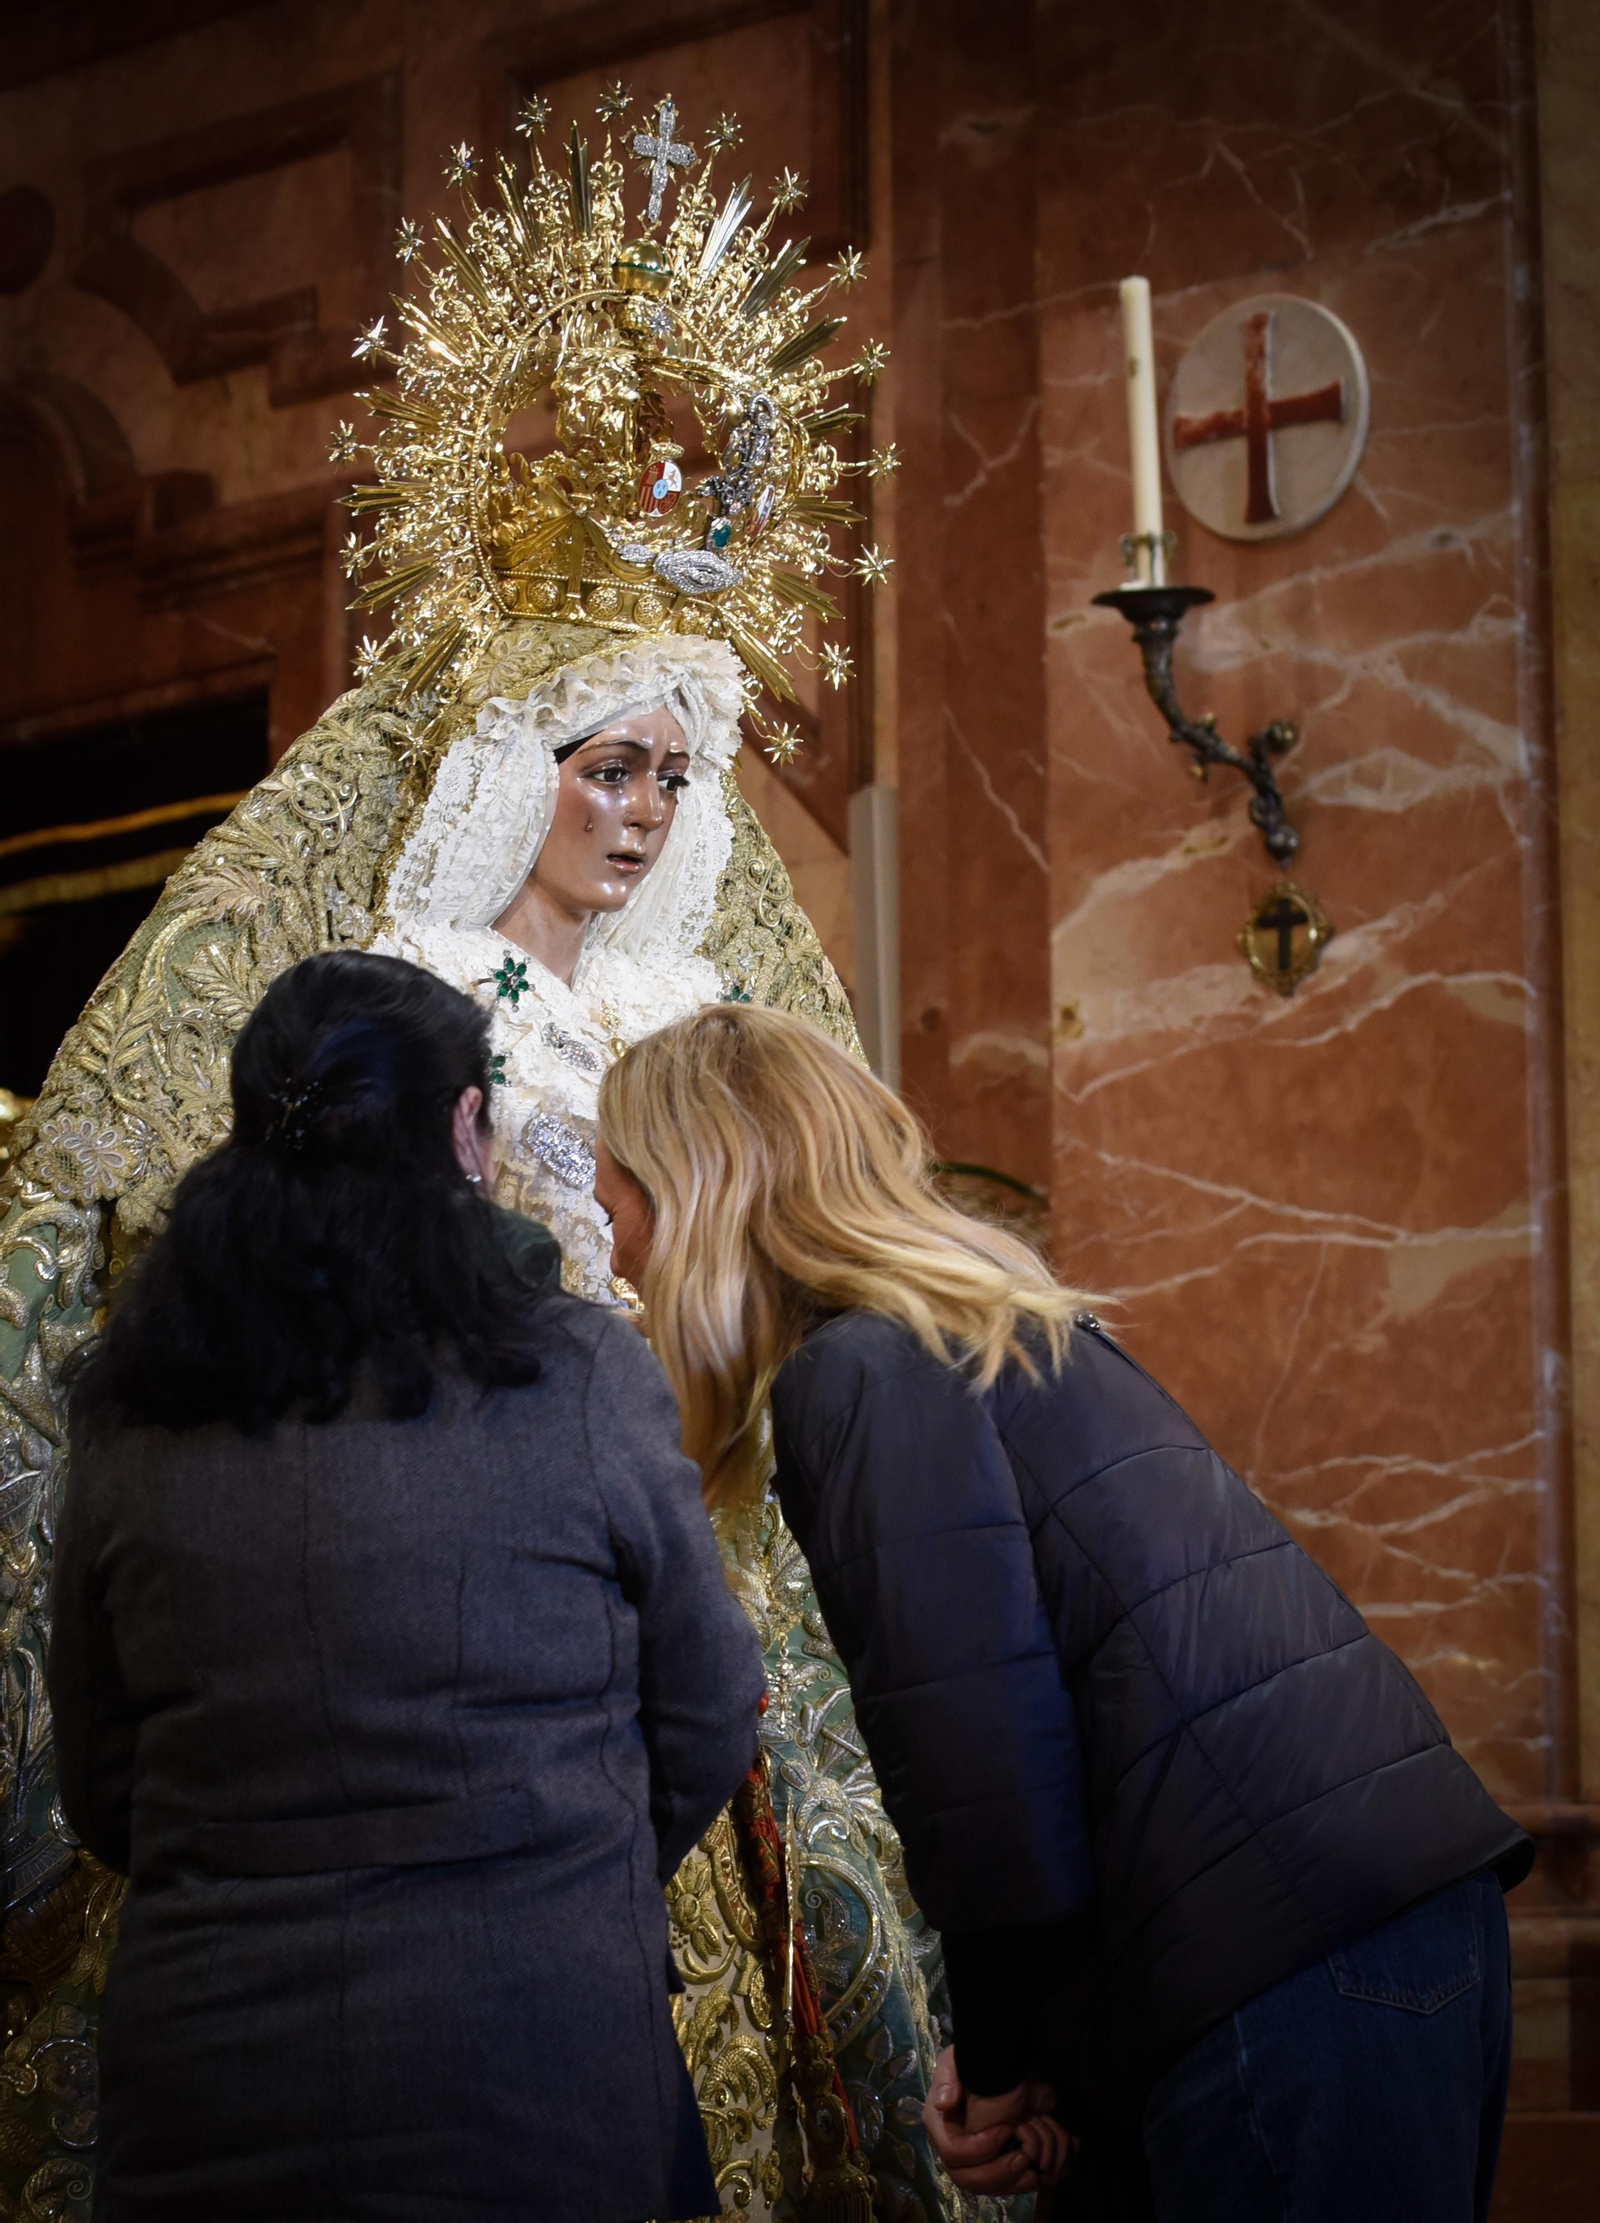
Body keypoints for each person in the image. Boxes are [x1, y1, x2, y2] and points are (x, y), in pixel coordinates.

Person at [1, 90, 974, 2216]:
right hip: (453, 1569)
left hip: (699, 1536)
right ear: (511, 762)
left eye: (665, 772)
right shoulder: (408, 989)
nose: (634, 810)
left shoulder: (700, 1014)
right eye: (600, 760)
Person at [594, 1001, 1535, 2223]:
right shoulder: (979, 1326)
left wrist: (991, 2073)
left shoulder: (857, 1371)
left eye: (618, 1209)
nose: (617, 1260)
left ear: (698, 1197)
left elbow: (983, 1778)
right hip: (1375, 1929)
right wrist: (1048, 2074)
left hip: (1288, 1963)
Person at [47, 950, 766, 2223]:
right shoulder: (581, 1376)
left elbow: (103, 1781)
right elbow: (710, 1711)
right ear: (464, 1131)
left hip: (212, 2081)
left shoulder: (134, 1411)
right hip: (537, 2063)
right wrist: (566, 1864)